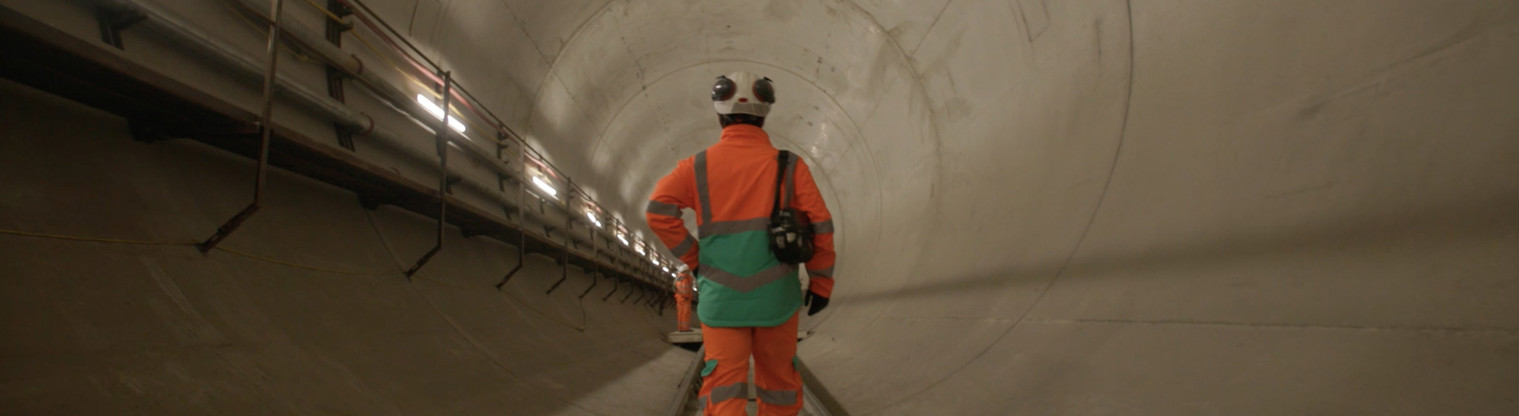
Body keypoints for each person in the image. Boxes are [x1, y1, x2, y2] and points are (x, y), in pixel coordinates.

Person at [645, 71, 837, 416]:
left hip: (722, 300)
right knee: (779, 385)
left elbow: (657, 212)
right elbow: (820, 225)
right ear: (764, 115)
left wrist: (695, 259)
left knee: (723, 388)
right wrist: (821, 283)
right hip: (777, 300)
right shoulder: (791, 167)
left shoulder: (696, 167)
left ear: (719, 115)